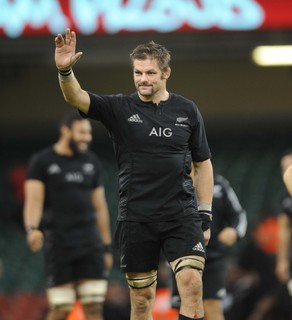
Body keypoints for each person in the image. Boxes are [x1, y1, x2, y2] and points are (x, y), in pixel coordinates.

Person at [54, 28, 214, 320]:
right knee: (142, 301)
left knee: (191, 283)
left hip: (181, 215)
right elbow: (76, 97)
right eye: (138, 72)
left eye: (150, 73)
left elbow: (203, 164)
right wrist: (65, 71)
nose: (143, 79)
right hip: (137, 217)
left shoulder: (187, 110)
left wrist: (205, 213)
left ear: (166, 73)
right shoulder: (119, 108)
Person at [23, 113, 113, 320]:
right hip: (59, 242)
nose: (87, 138)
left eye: (89, 133)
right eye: (82, 132)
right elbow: (34, 201)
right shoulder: (42, 161)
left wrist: (106, 246)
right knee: (62, 307)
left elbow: (100, 207)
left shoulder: (91, 162)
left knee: (93, 307)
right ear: (66, 131)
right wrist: (31, 229)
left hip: (89, 242)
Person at [171, 173, 247, 320]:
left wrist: (234, 230)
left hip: (213, 257)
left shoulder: (218, 184)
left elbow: (238, 215)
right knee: (185, 308)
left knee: (212, 305)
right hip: (180, 256)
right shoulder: (172, 182)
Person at [275, 150, 292, 316]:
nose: (287, 171)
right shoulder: (284, 197)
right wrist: (282, 260)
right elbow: (284, 229)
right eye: (284, 167)